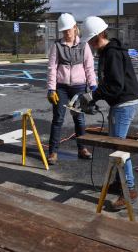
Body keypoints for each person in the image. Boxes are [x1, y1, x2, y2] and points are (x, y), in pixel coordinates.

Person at [80, 16, 138, 211]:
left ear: (97, 36)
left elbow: (115, 86)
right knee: (116, 144)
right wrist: (94, 95)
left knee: (119, 148)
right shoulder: (107, 52)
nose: (89, 44)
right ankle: (119, 182)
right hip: (122, 102)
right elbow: (110, 83)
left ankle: (129, 191)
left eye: (90, 40)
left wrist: (93, 96)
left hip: (124, 103)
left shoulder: (112, 53)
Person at [46, 13, 96, 165]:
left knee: (79, 118)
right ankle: (53, 151)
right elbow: (52, 68)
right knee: (58, 119)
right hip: (61, 87)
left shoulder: (84, 45)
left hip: (79, 87)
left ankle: (82, 148)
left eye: (69, 29)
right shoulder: (57, 46)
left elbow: (89, 67)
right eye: (64, 30)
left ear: (75, 28)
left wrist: (93, 85)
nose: (67, 33)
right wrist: (51, 89)